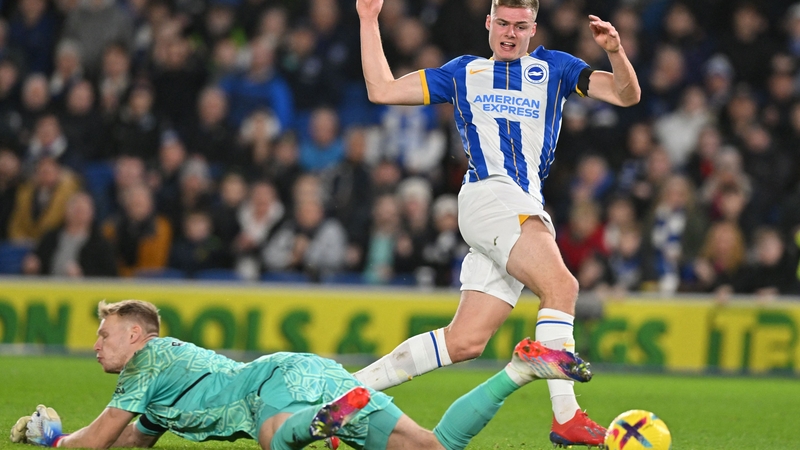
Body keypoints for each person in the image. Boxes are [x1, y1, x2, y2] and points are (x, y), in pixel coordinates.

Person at [353, 0, 640, 446]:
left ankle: (345, 393)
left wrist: (616, 53)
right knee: (561, 288)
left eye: (520, 26)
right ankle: (567, 416)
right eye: (502, 23)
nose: (509, 33)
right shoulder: (463, 72)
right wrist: (368, 20)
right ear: (488, 23)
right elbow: (383, 90)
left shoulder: (556, 69)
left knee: (464, 342)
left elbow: (626, 95)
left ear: (533, 28)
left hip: (517, 201)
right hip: (490, 194)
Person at [9, 299, 593, 450]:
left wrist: (54, 436)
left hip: (275, 382)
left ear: (136, 336)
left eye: (104, 335)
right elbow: (131, 437)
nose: (95, 347)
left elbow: (99, 439)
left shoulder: (145, 361)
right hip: (320, 373)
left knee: (273, 438)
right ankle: (521, 369)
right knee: (435, 447)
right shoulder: (158, 383)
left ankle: (317, 426)